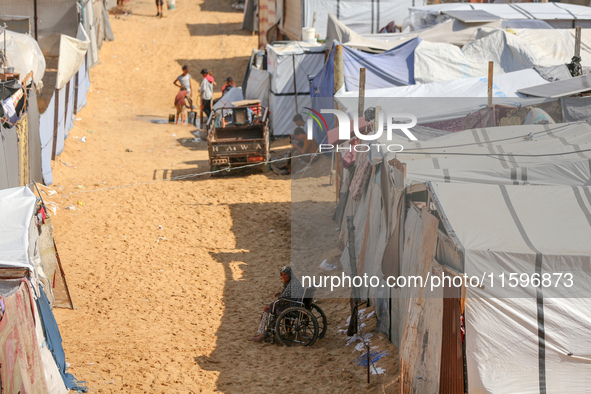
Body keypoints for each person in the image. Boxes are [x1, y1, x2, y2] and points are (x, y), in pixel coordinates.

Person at [252, 266, 303, 343]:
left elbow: (283, 299)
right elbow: (287, 295)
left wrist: (271, 305)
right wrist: (281, 293)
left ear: (289, 274)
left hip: (292, 307)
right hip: (295, 304)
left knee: (268, 311)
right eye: (281, 274)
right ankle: (269, 332)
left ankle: (262, 335)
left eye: (285, 274)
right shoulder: (293, 282)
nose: (283, 276)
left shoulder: (292, 285)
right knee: (272, 308)